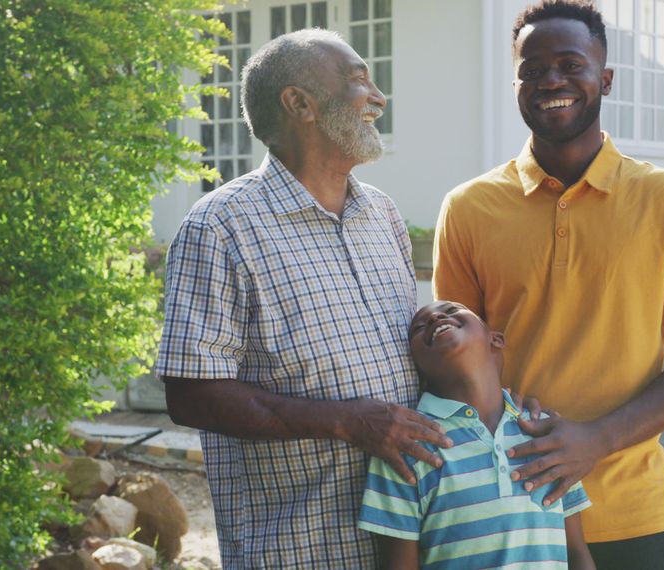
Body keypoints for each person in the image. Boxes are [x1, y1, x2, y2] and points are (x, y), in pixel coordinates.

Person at [432, 1, 664, 568]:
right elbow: (455, 370)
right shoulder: (468, 208)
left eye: (571, 64)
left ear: (606, 78)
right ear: (516, 84)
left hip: (633, 509)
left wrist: (597, 439)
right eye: (533, 69)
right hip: (509, 515)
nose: (551, 81)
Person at [154, 29, 452, 569]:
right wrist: (344, 421)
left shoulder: (381, 214)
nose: (379, 98)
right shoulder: (221, 227)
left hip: (409, 547)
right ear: (300, 104)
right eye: (360, 79)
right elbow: (190, 396)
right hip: (300, 549)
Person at [358, 301, 595, 569]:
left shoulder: (548, 434)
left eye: (450, 311)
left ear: (495, 340)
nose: (436, 317)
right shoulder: (407, 446)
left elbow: (576, 552)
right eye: (419, 328)